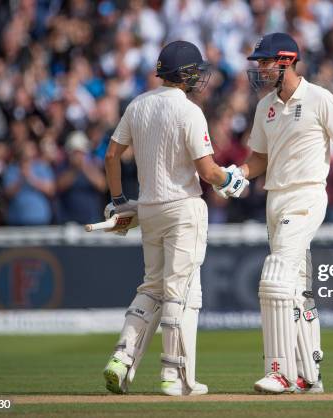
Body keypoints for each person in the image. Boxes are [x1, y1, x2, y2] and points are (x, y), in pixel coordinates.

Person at [232, 33, 333, 394]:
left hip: (306, 196)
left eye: (265, 61)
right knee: (298, 289)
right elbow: (258, 160)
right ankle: (310, 374)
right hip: (275, 200)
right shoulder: (264, 108)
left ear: (285, 61)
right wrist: (235, 175)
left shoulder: (320, 98)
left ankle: (280, 372)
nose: (259, 68)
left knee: (275, 278)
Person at [101, 40, 247, 397]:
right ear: (183, 75)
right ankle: (174, 377)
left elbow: (111, 155)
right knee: (177, 293)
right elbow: (207, 171)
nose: (200, 78)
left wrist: (119, 201)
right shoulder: (190, 111)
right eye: (195, 71)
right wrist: (233, 180)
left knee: (152, 287)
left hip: (149, 209)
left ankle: (121, 359)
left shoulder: (138, 104)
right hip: (183, 208)